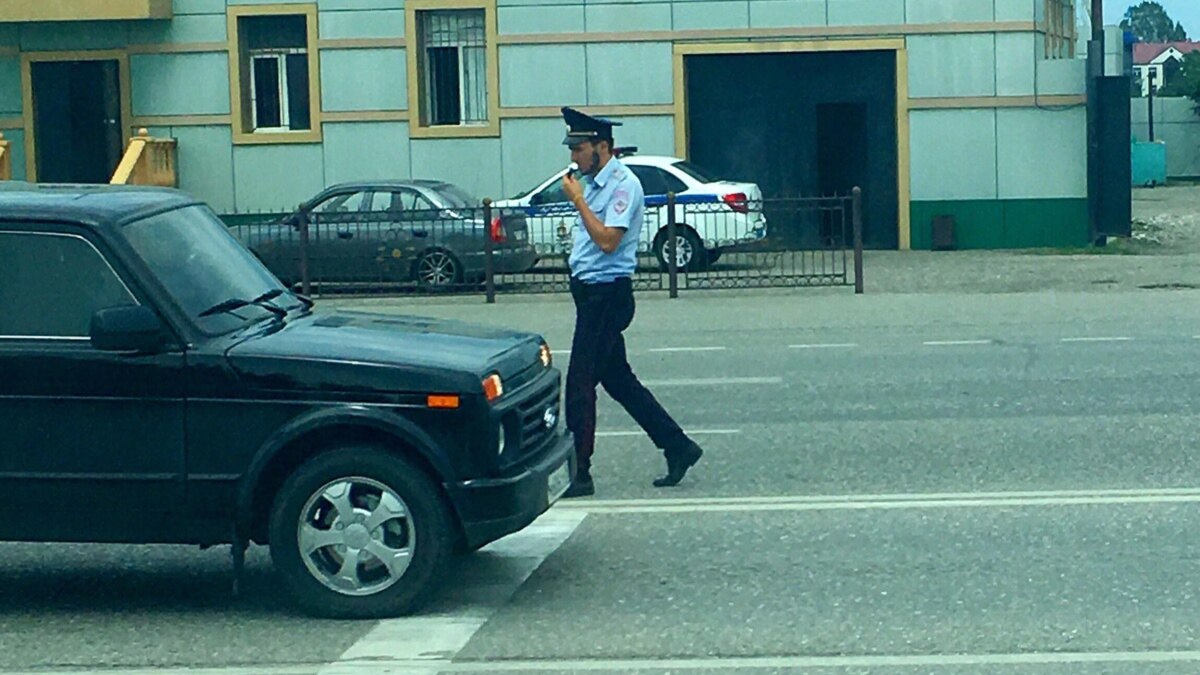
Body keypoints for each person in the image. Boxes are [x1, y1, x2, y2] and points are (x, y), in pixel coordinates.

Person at [557, 106, 703, 498]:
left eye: (579, 148)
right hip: (589, 292)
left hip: (607, 295)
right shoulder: (593, 181)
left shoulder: (623, 185)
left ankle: (579, 472)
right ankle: (678, 446)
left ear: (602, 147)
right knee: (619, 381)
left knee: (579, 383)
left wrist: (578, 203)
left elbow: (608, 241)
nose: (573, 156)